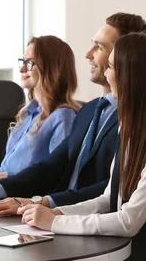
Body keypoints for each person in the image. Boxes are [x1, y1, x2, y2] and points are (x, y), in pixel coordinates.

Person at [0, 13, 146, 216]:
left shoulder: (135, 119)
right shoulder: (89, 111)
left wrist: (44, 204)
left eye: (99, 47)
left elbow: (114, 189)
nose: (88, 54)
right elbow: (52, 166)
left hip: (88, 219)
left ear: (125, 58)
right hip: (56, 214)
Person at [19, 32, 146, 260]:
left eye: (110, 67)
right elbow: (109, 199)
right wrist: (57, 212)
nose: (106, 75)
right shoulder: (128, 129)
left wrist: (56, 221)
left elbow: (128, 221)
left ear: (130, 76)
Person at [0, 35, 80, 185]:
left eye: (30, 63)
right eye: (22, 62)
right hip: (5, 192)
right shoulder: (27, 114)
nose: (22, 69)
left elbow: (56, 177)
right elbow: (9, 170)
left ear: (51, 68)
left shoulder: (64, 117)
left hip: (27, 202)